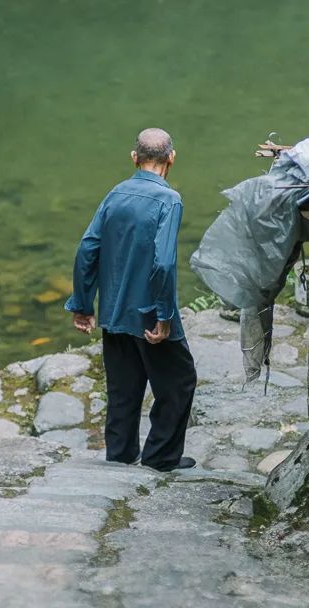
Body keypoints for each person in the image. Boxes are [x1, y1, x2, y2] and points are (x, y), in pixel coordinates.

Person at [64, 128, 197, 472]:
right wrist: (164, 316)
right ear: (172, 158)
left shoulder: (115, 194)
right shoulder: (170, 200)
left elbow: (87, 249)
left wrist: (82, 304)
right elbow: (164, 262)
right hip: (149, 315)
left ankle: (121, 454)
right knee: (179, 382)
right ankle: (160, 457)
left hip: (113, 311)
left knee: (123, 388)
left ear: (134, 158)